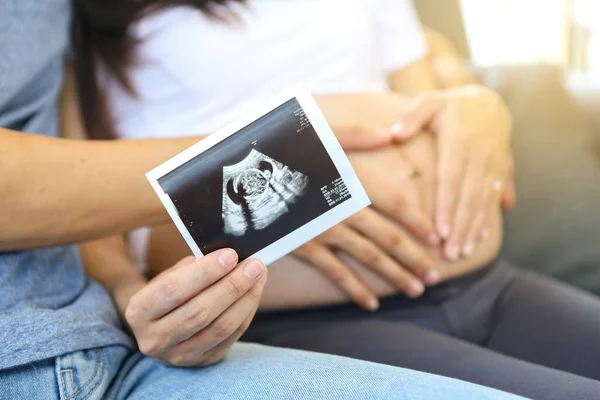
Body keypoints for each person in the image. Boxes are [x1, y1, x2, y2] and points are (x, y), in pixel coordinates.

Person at [0, 1, 529, 399]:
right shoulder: (88, 19)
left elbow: (423, 89)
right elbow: (75, 179)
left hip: (485, 281)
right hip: (311, 313)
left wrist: (477, 102)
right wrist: (292, 182)